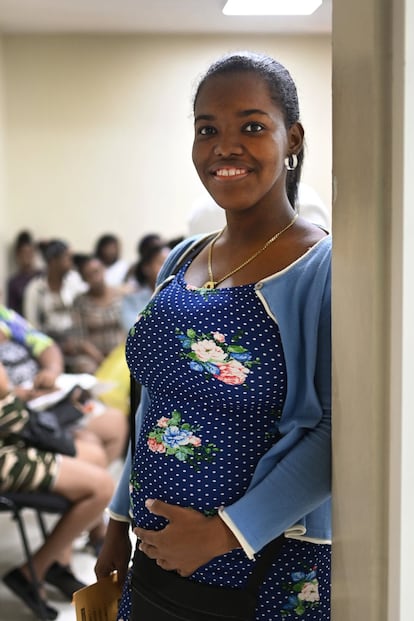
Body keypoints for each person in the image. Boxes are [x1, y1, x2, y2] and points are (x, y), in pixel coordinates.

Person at [96, 51, 331, 621]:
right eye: (208, 130)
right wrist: (118, 520)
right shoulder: (181, 260)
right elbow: (156, 405)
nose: (226, 146)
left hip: (261, 569)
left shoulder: (321, 270)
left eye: (252, 126)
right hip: (155, 561)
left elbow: (338, 433)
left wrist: (225, 533)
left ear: (292, 138)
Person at [0, 361, 115, 620]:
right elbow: (9, 407)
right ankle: (32, 572)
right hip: (5, 452)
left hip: (12, 435)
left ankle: (59, 562)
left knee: (94, 454)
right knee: (101, 487)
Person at [23, 239, 87, 370]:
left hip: (76, 337)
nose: (71, 262)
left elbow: (87, 302)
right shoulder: (35, 289)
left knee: (85, 365)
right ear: (53, 261)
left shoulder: (74, 280)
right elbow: (31, 325)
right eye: (67, 257)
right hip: (48, 340)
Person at [70, 255, 125, 374]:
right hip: (93, 356)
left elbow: (129, 328)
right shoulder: (80, 302)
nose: (96, 277)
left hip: (121, 351)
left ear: (104, 269)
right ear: (84, 279)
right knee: (85, 367)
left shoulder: (121, 296)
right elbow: (80, 338)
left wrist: (117, 355)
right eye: (89, 275)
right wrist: (101, 359)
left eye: (97, 271)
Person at [121, 243, 171, 332]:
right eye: (162, 263)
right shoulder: (132, 298)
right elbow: (132, 328)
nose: (169, 268)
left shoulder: (181, 295)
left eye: (171, 262)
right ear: (146, 268)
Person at [6, 230, 43, 317]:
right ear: (18, 255)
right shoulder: (14, 283)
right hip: (24, 326)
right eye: (24, 253)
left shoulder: (42, 276)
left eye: (30, 252)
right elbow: (11, 312)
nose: (27, 257)